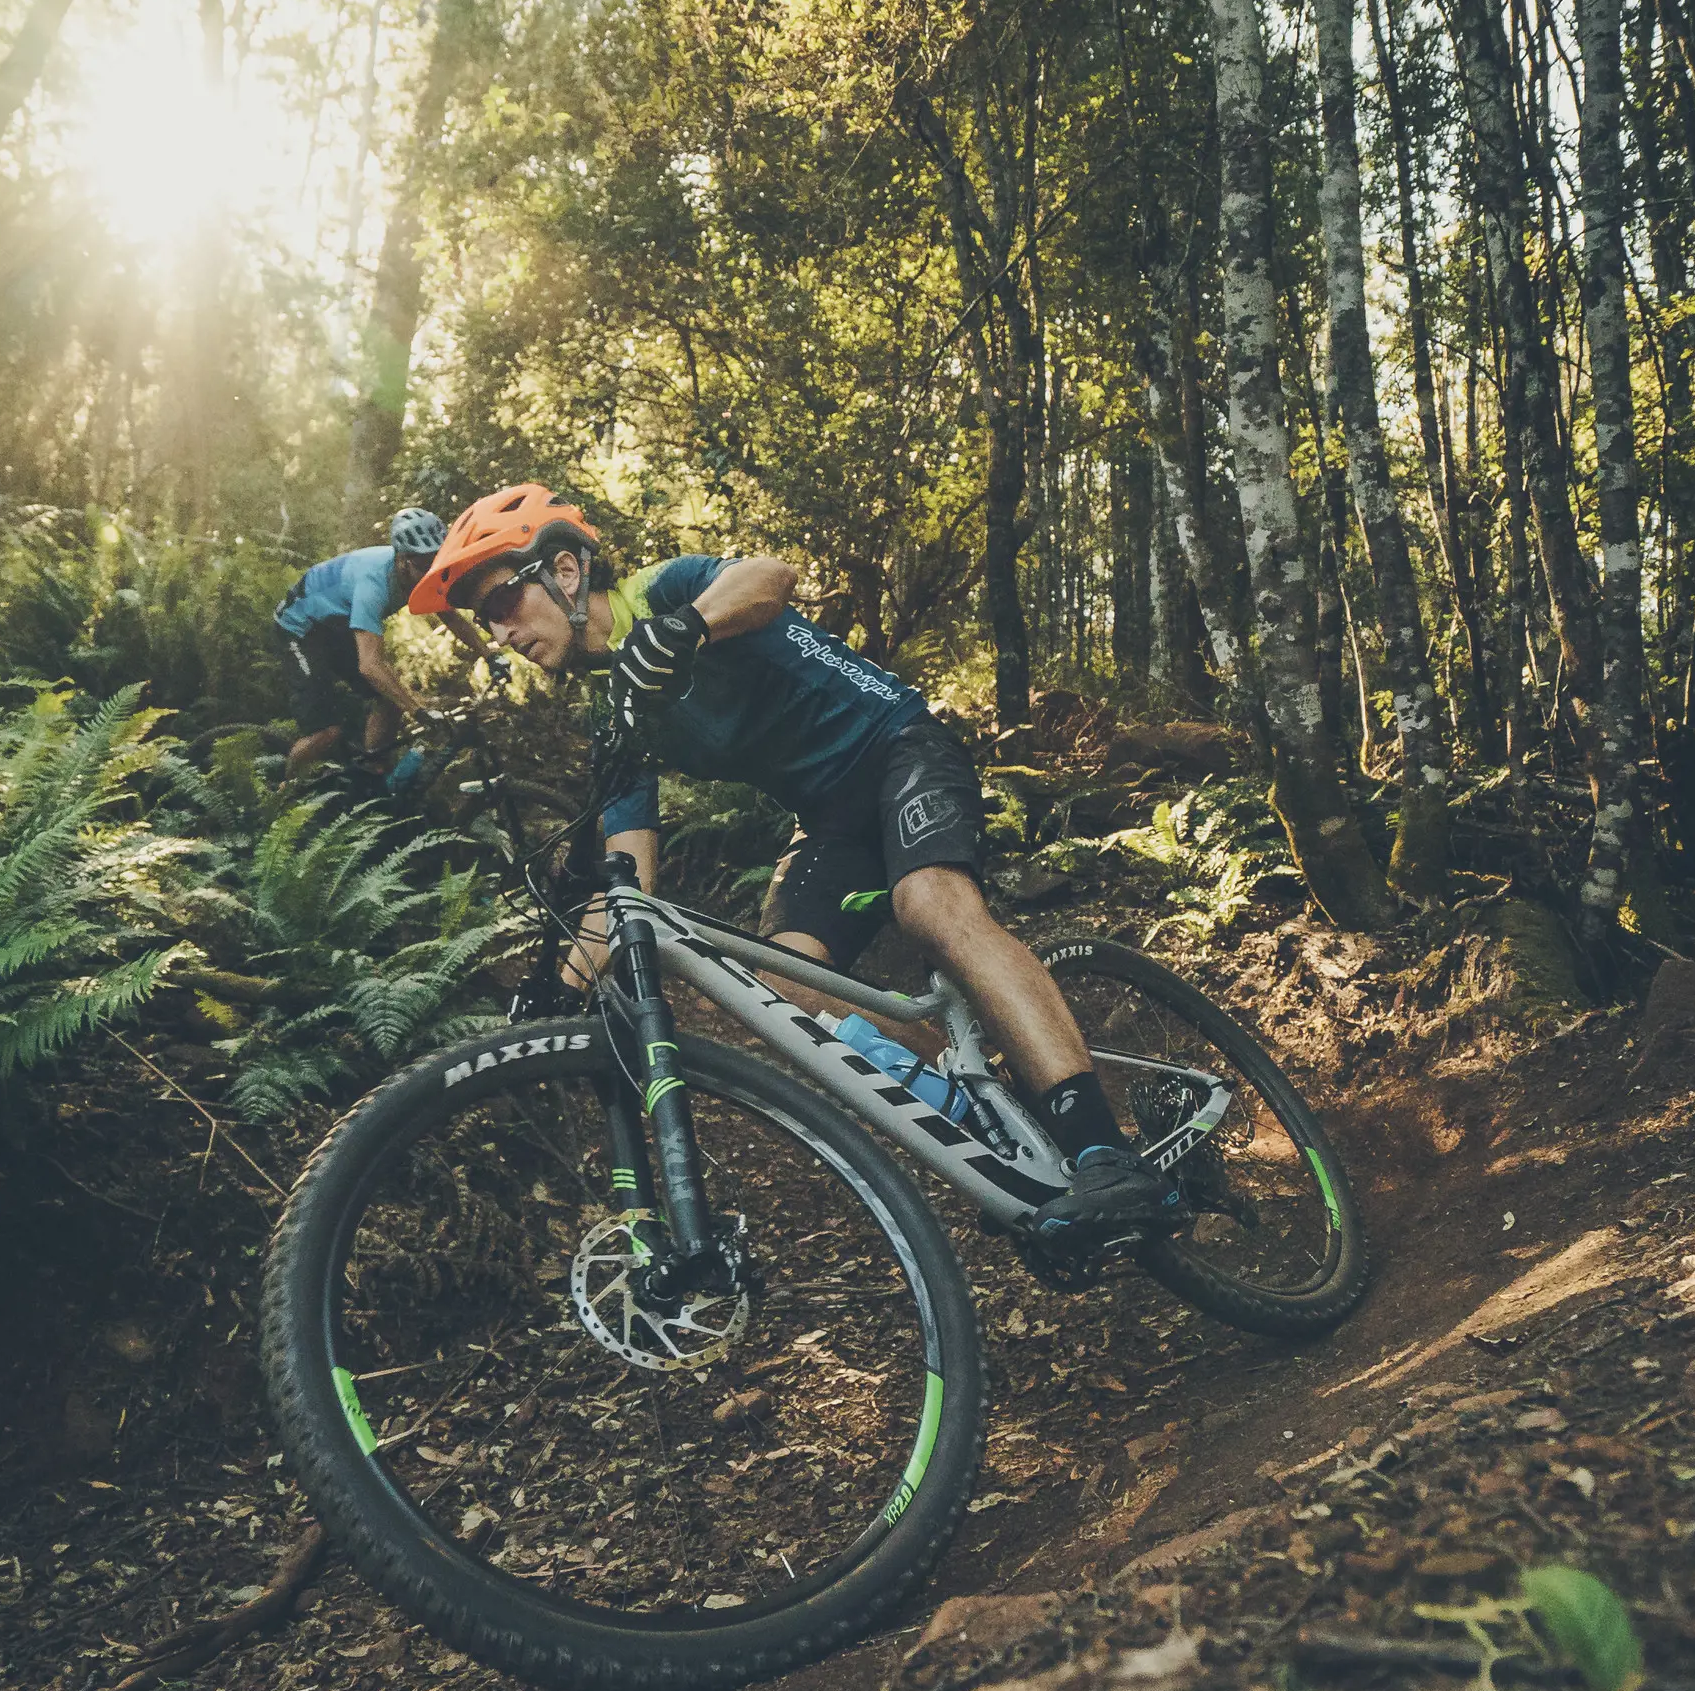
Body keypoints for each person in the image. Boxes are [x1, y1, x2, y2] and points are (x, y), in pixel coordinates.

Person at [407, 482, 1180, 1255]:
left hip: (900, 750)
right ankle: (990, 1110)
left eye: (503, 601)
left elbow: (771, 577)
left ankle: (1099, 1147)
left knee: (931, 905)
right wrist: (560, 990)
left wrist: (688, 627)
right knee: (786, 985)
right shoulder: (617, 713)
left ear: (566, 572)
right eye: (484, 619)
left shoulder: (667, 589)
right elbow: (629, 888)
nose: (499, 630)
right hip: (828, 821)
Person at [276, 507, 494, 789]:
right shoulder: (374, 584)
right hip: (300, 627)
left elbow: (449, 614)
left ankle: (371, 774)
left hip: (336, 624)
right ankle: (280, 797)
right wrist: (418, 710)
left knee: (389, 701)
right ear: (403, 561)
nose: (431, 571)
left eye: (436, 561)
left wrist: (490, 654)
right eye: (423, 564)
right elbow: (370, 665)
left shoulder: (420, 573)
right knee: (326, 732)